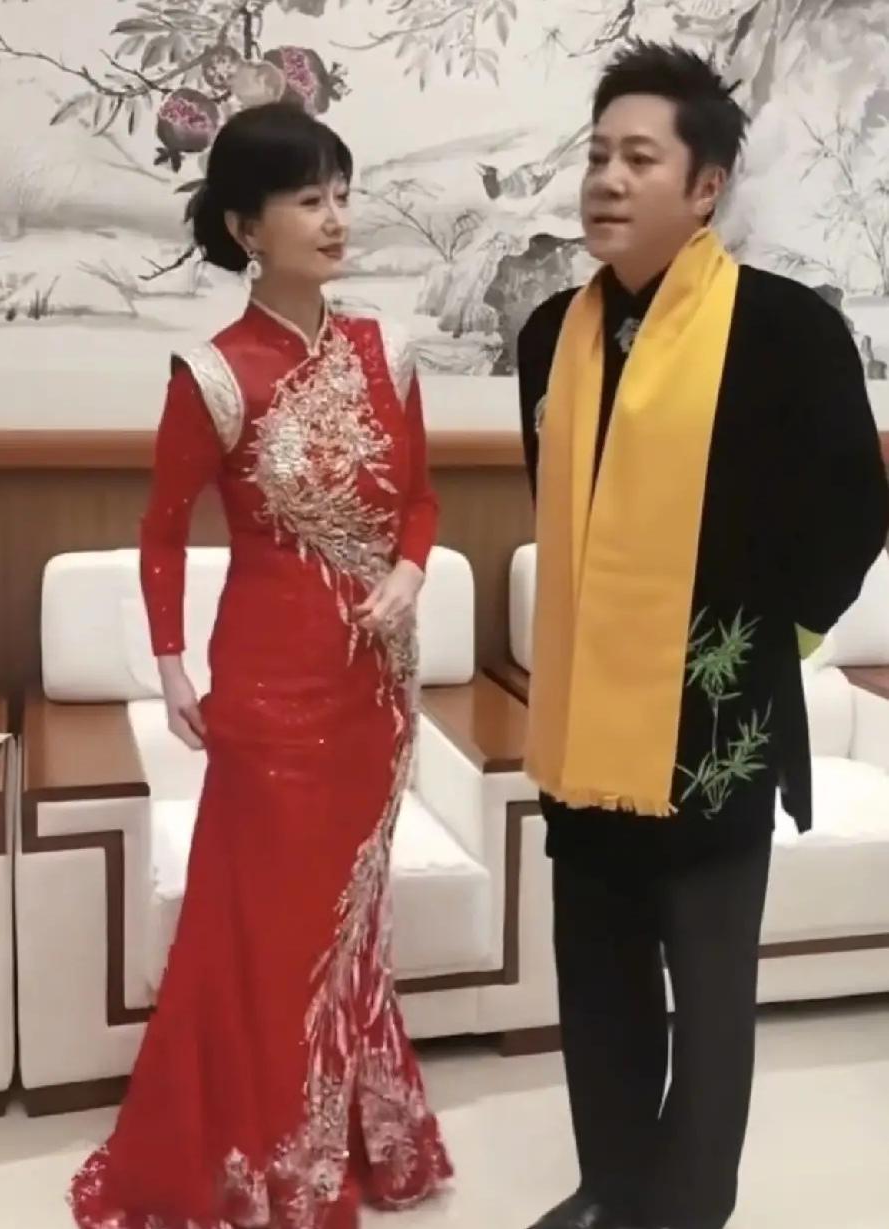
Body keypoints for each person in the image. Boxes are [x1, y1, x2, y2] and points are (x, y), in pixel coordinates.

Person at [517, 41, 889, 1229]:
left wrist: (769, 636)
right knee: (599, 982)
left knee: (710, 989)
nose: (606, 180)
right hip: (586, 725)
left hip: (714, 724)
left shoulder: (785, 331)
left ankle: (683, 1210)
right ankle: (611, 1187)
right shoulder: (550, 335)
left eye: (639, 157)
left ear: (706, 185)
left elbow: (853, 509)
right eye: (596, 155)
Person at [69, 101, 451, 1229]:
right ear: (246, 226)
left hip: (377, 684)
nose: (335, 218)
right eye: (307, 199)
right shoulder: (215, 372)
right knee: (264, 923)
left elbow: (421, 501)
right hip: (270, 691)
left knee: (351, 919)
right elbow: (161, 530)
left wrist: (410, 573)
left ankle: (350, 1133)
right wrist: (173, 669)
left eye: (341, 194)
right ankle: (264, 1156)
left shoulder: (388, 350)